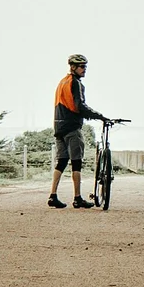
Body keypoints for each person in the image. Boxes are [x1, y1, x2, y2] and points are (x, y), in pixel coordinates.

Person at [49, 52, 109, 207]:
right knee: (76, 162)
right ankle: (77, 198)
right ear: (73, 67)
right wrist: (100, 116)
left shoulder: (62, 82)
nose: (84, 69)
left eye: (85, 67)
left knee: (61, 162)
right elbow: (79, 106)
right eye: (82, 67)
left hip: (58, 127)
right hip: (72, 127)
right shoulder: (75, 83)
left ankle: (52, 196)